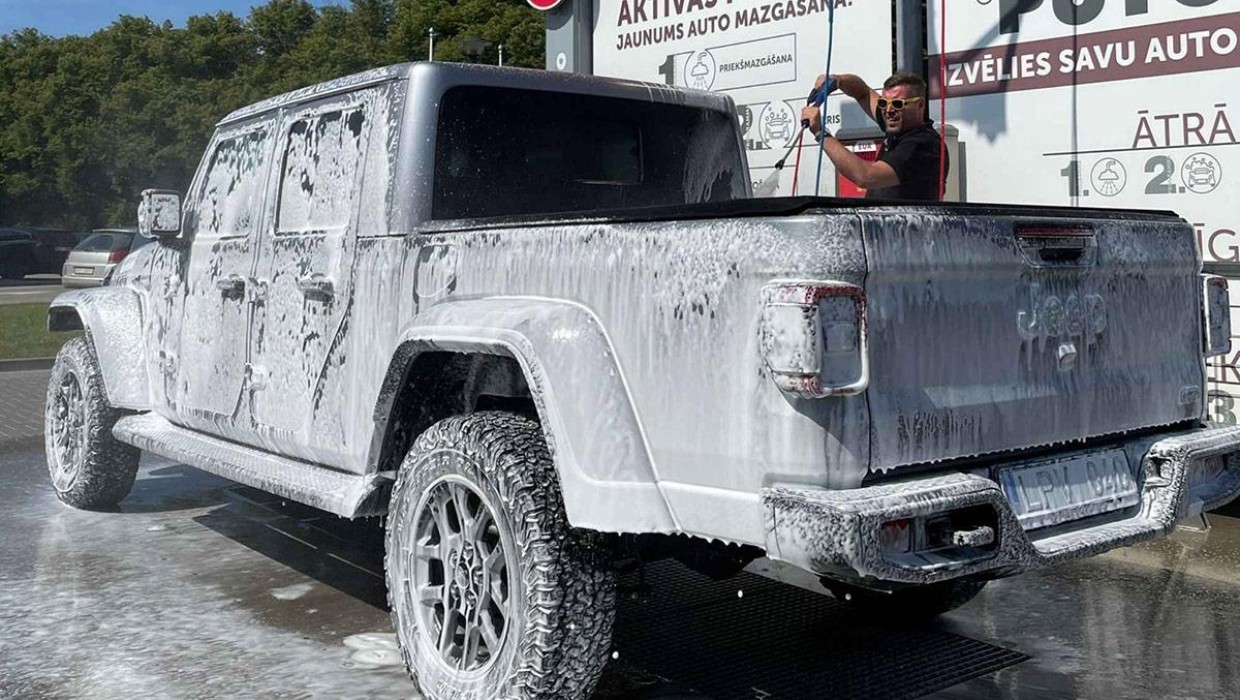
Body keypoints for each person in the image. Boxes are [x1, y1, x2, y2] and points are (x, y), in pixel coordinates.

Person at [800, 71, 948, 201]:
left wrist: (821, 133)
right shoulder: (897, 124)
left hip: (907, 231)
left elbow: (865, 177)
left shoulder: (923, 144)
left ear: (920, 105)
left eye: (897, 104)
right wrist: (838, 80)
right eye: (884, 103)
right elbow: (862, 92)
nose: (888, 110)